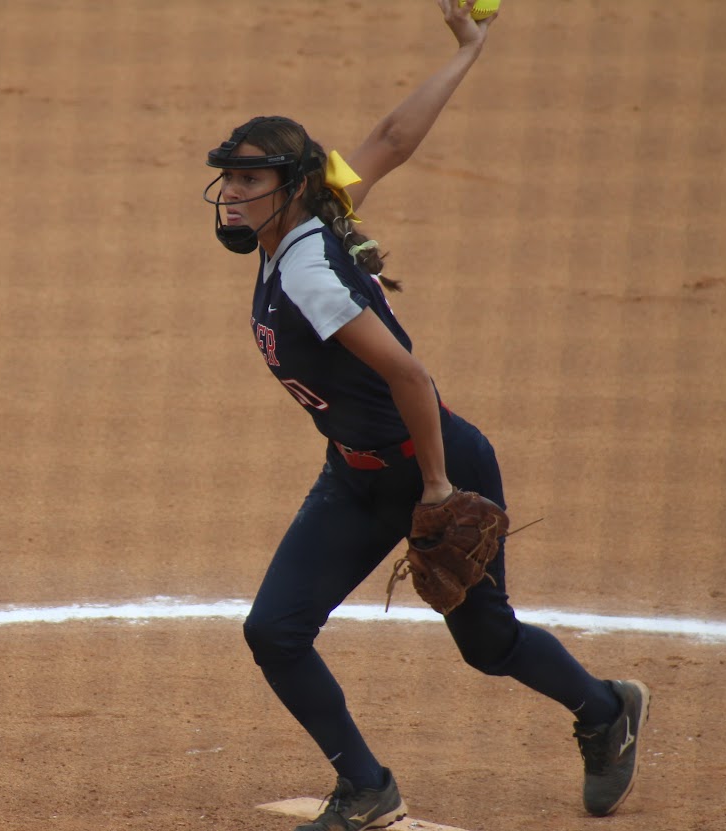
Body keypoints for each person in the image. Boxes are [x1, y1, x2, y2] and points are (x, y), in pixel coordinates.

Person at [201, 2, 650, 829]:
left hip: (434, 463)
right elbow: (393, 138)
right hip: (355, 471)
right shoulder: (317, 211)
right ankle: (367, 785)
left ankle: (604, 709)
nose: (231, 193)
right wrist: (468, 48)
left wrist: (438, 487)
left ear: (288, 187)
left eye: (250, 180)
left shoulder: (308, 275)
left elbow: (411, 373)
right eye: (229, 175)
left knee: (486, 645)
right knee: (275, 629)